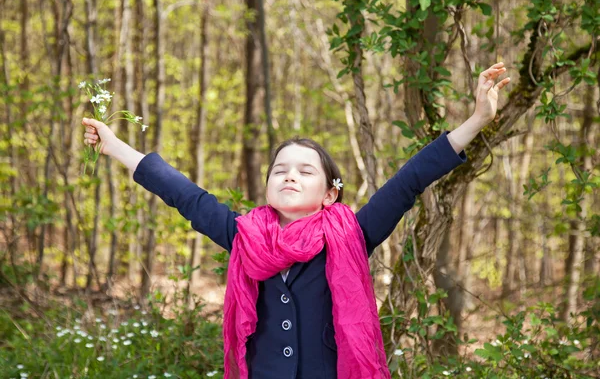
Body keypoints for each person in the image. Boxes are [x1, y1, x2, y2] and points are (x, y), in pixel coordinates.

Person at [82, 63, 510, 379]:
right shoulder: (243, 235)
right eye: (281, 169)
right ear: (267, 185)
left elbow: (407, 182)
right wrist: (117, 147)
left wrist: (476, 120)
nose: (290, 174)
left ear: (329, 194)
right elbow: (184, 195)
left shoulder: (353, 235)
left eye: (306, 171)